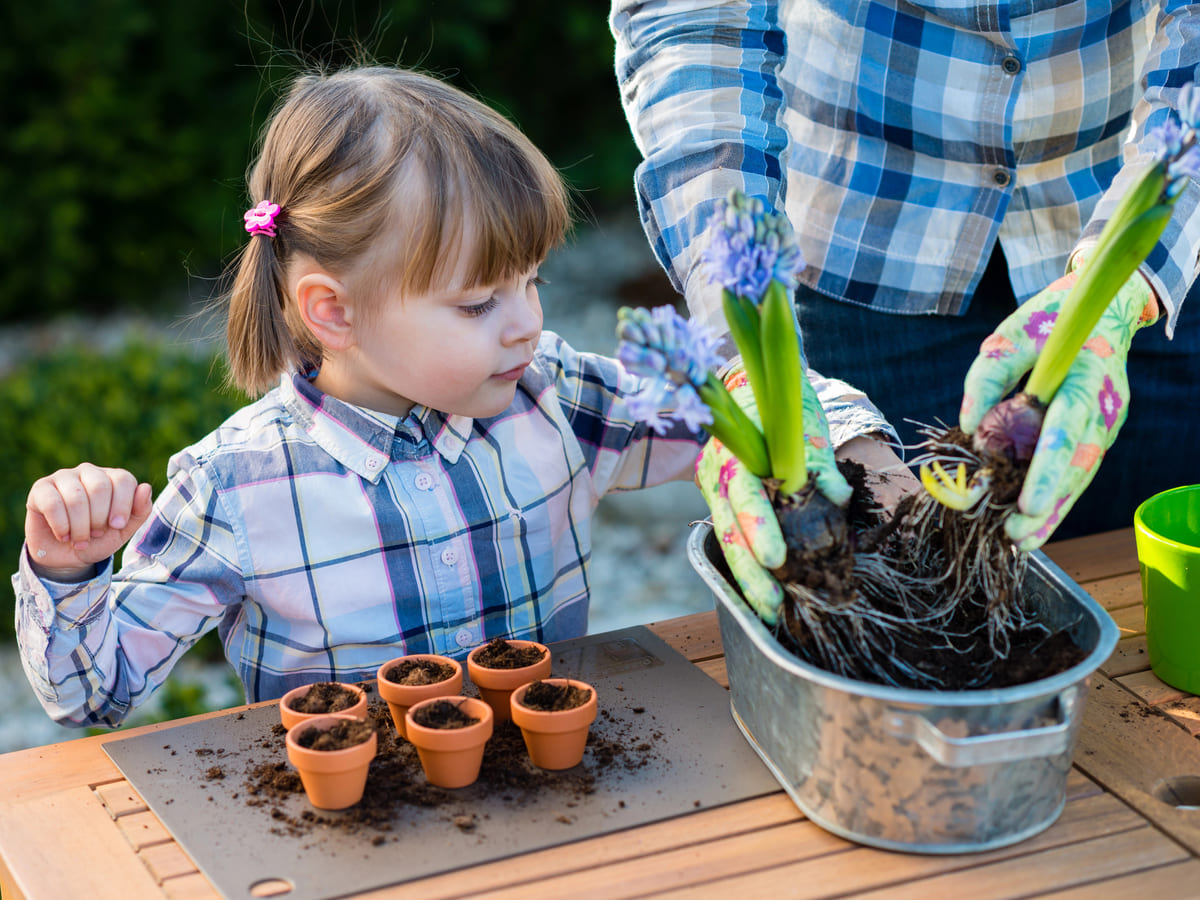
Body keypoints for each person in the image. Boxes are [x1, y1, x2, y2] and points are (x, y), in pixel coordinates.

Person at [13, 66, 895, 730]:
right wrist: (67, 569)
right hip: (351, 834)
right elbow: (91, 696)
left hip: (559, 791)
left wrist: (848, 441)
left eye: (533, 282)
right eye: (478, 303)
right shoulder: (235, 490)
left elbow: (746, 410)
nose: (525, 324)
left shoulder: (556, 397)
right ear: (334, 310)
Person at [611, 0, 1200, 548]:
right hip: (866, 228)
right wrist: (740, 352)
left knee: (1137, 564)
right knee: (894, 559)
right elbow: (693, 25)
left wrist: (1127, 287)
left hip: (1140, 214)